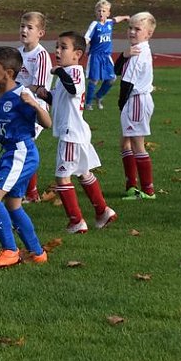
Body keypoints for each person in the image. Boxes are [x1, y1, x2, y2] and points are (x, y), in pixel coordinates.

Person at [0, 47, 52, 268]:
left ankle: (10, 250)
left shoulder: (22, 96)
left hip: (22, 153)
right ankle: (37, 252)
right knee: (13, 205)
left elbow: (47, 124)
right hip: (10, 153)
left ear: (8, 72)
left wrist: (36, 105)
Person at [35, 31, 117, 234]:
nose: (57, 50)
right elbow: (62, 100)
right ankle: (103, 211)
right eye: (57, 46)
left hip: (71, 133)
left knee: (62, 177)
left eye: (63, 47)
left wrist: (58, 72)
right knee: (82, 172)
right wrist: (44, 95)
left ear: (77, 54)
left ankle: (77, 221)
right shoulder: (67, 72)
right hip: (74, 131)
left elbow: (73, 90)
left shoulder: (75, 72)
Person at [115, 12, 157, 200]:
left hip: (136, 101)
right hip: (136, 100)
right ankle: (131, 185)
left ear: (148, 33)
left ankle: (147, 190)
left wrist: (121, 103)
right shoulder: (134, 50)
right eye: (130, 27)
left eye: (137, 29)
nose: (132, 31)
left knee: (137, 144)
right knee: (125, 142)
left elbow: (127, 83)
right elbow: (116, 70)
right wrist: (124, 55)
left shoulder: (139, 53)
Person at [16, 11, 52, 203]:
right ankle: (28, 191)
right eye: (22, 26)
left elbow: (39, 87)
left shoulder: (41, 55)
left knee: (25, 147)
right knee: (19, 147)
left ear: (41, 33)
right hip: (20, 105)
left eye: (30, 27)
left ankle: (31, 193)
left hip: (36, 108)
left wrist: (17, 89)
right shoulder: (17, 52)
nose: (24, 30)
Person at [83, 0, 130, 111]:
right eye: (99, 11)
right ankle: (88, 103)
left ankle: (98, 97)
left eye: (104, 11)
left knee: (112, 78)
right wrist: (81, 47)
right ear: (96, 12)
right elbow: (87, 37)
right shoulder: (94, 24)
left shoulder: (109, 22)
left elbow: (116, 19)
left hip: (106, 56)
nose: (101, 13)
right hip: (95, 56)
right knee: (94, 80)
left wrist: (125, 17)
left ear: (108, 13)